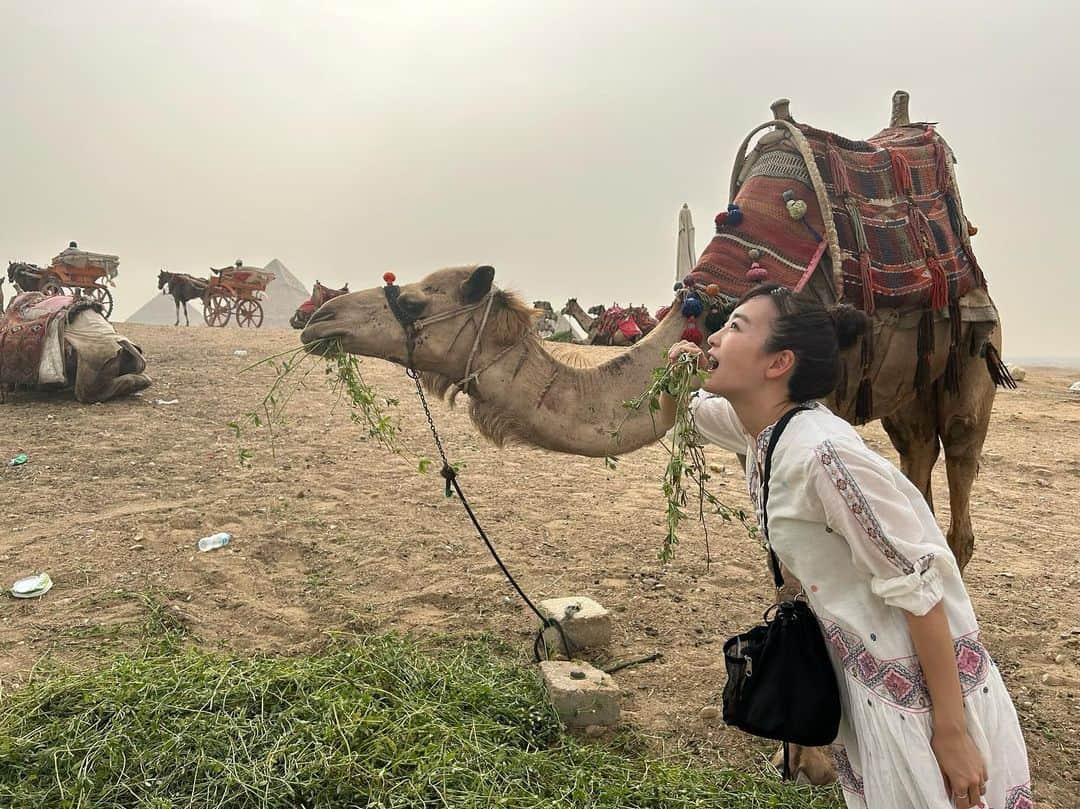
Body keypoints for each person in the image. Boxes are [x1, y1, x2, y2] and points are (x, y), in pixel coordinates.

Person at [660, 284, 1030, 809]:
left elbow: (918, 587)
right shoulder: (762, 431)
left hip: (922, 694)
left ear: (778, 362)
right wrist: (678, 366)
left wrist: (950, 732)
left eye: (736, 327)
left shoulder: (824, 457)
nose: (715, 336)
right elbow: (683, 411)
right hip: (871, 680)